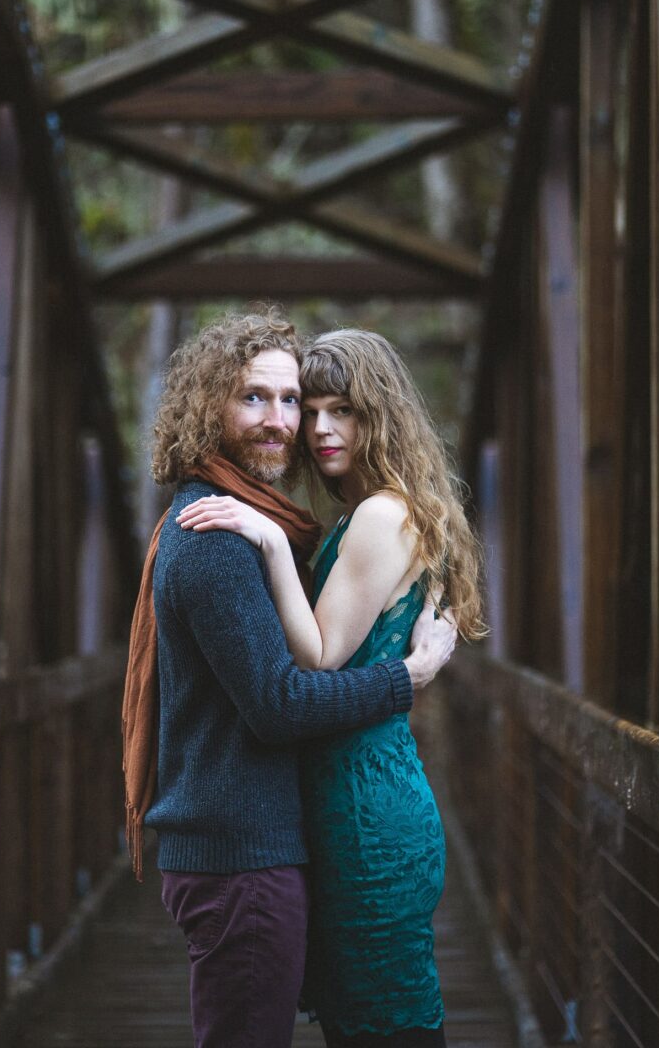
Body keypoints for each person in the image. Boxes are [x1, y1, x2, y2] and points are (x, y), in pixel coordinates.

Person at [121, 309, 457, 1048]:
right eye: (257, 398)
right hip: (246, 851)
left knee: (382, 1021)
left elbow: (306, 668)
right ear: (206, 407)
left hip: (327, 822)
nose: (294, 424)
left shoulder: (295, 523)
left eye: (293, 402)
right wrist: (407, 677)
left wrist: (275, 543)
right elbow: (281, 701)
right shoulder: (217, 535)